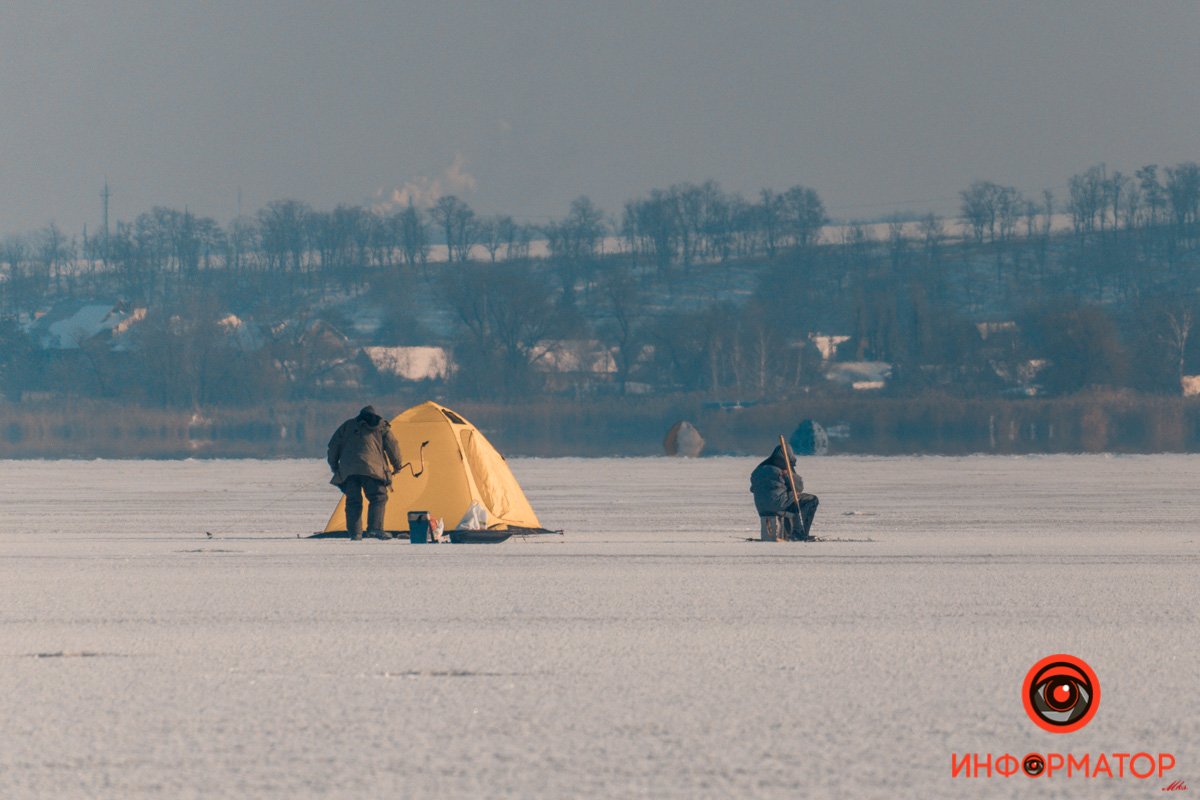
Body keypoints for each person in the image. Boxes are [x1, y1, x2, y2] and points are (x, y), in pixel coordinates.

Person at [327, 405, 402, 541]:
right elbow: (393, 446)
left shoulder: (348, 426)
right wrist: (397, 465)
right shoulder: (382, 427)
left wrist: (335, 467)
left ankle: (355, 533)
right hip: (373, 470)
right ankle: (375, 529)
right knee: (378, 497)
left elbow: (333, 447)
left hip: (349, 471)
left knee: (353, 502)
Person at [750, 443, 819, 541]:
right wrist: (789, 474)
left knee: (788, 500)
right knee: (811, 500)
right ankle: (800, 533)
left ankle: (787, 533)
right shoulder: (782, 469)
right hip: (778, 505)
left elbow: (753, 489)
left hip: (761, 508)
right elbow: (798, 487)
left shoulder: (758, 469)